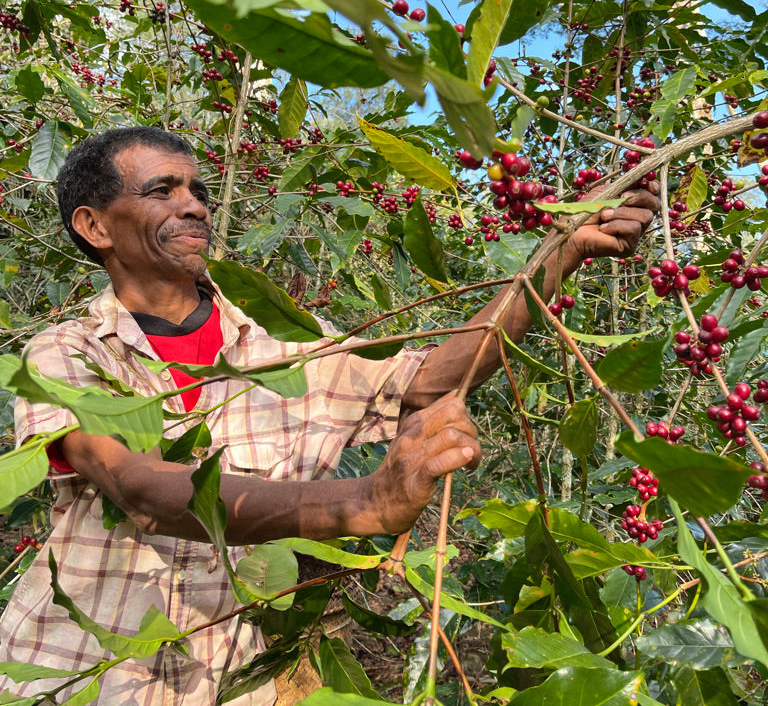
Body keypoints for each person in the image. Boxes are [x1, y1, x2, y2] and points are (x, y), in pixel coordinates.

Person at [0, 127, 659, 705]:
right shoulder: (65, 352)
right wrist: (363, 502)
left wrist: (557, 258)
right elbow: (137, 484)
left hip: (226, 679)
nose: (194, 205)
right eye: (162, 191)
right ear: (95, 226)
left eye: (197, 189)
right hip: (76, 675)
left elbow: (431, 377)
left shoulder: (287, 346)